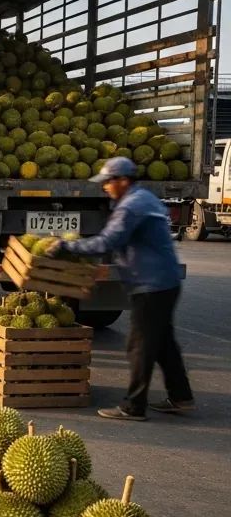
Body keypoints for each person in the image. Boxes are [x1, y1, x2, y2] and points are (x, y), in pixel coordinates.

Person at [45, 156, 193, 420]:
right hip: (165, 281)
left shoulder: (130, 207)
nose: (105, 187)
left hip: (151, 285)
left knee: (140, 345)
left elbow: (107, 241)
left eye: (108, 182)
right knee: (163, 343)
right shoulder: (143, 198)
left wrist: (66, 246)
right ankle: (181, 397)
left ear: (123, 180)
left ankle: (133, 407)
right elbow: (131, 242)